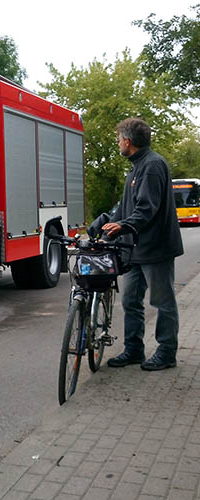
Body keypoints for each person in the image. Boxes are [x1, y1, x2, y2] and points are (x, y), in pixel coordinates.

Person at [102, 117, 183, 371]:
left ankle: (167, 352)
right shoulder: (137, 167)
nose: (118, 144)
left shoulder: (152, 166)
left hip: (156, 248)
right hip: (136, 249)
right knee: (130, 300)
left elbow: (147, 208)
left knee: (162, 300)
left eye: (118, 140)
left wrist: (125, 226)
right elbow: (125, 208)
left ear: (128, 141)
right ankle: (134, 350)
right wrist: (103, 225)